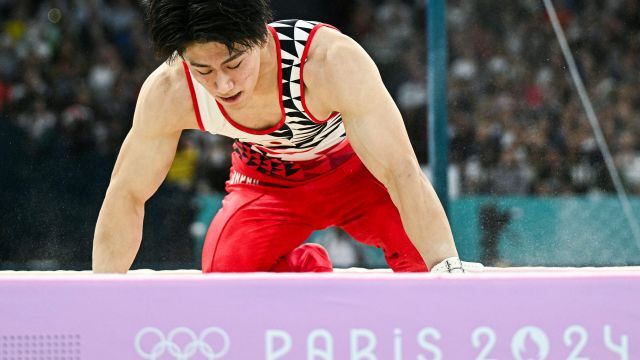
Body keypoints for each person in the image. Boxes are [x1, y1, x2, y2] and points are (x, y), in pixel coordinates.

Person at [92, 0, 467, 274]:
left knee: (423, 258)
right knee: (225, 273)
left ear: (260, 36)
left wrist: (447, 269)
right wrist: (102, 299)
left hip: (358, 173)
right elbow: (127, 192)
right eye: (203, 69)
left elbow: (401, 171)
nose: (222, 84)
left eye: (234, 63)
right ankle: (305, 269)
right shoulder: (172, 89)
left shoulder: (327, 62)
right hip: (268, 182)